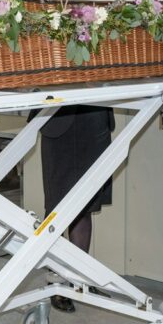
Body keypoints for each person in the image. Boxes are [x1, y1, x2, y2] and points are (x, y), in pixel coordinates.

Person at [39, 104, 115, 312]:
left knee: (86, 205)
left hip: (93, 120)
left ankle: (78, 279)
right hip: (60, 120)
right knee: (57, 207)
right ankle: (56, 284)